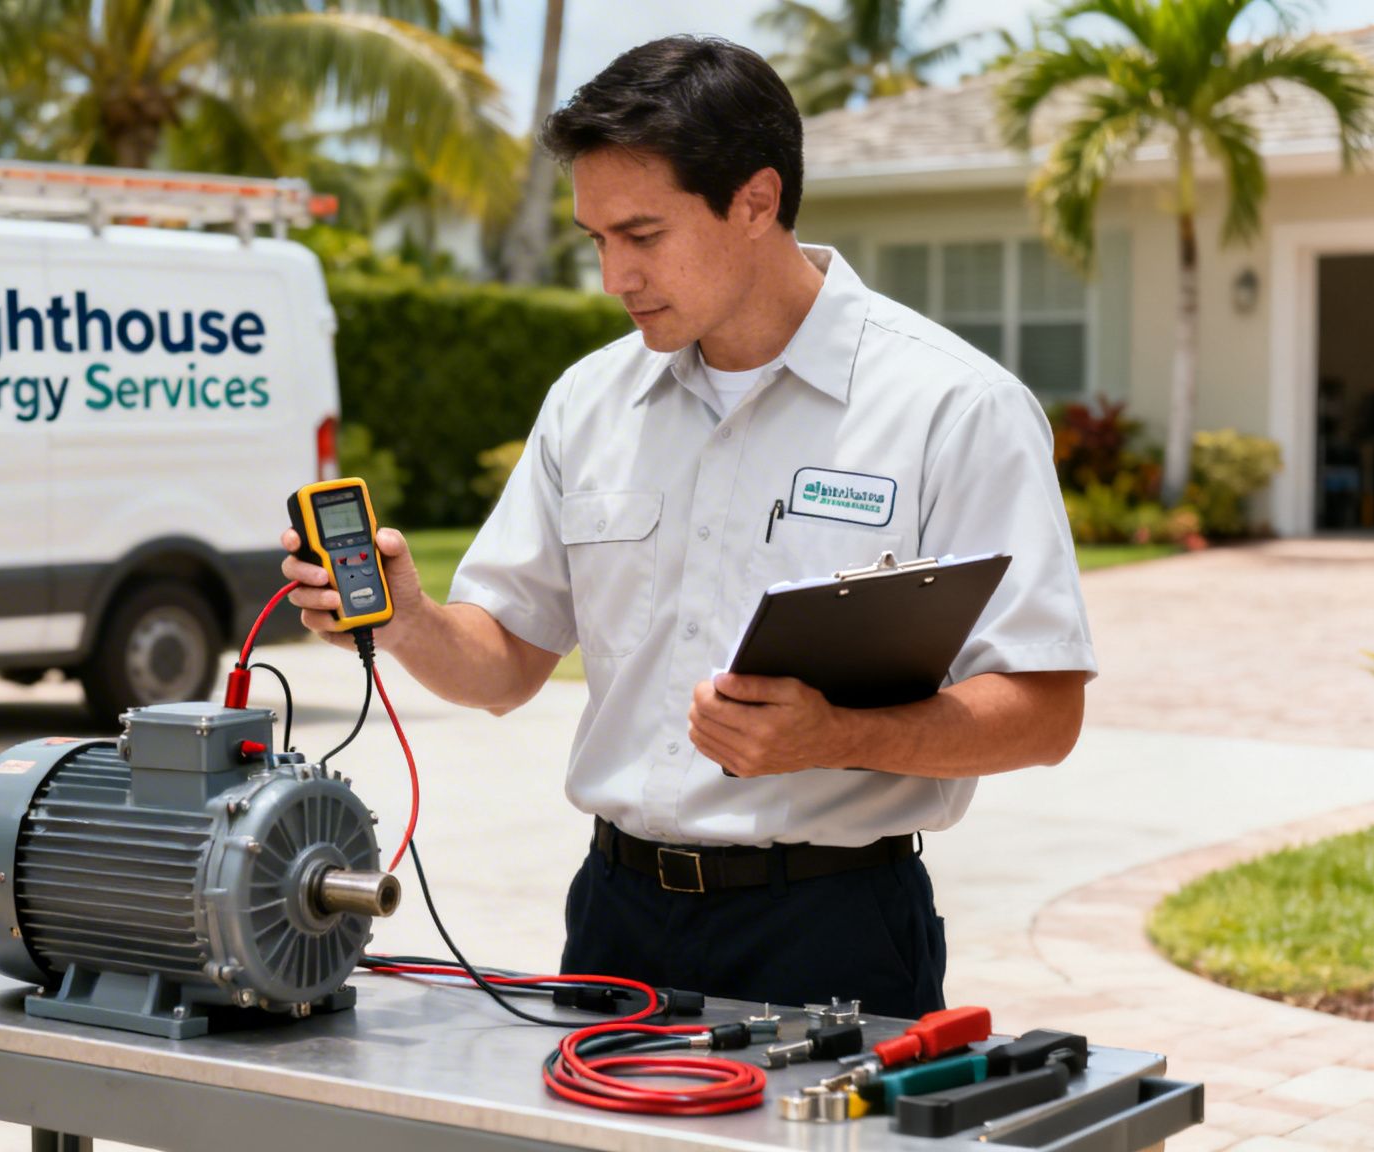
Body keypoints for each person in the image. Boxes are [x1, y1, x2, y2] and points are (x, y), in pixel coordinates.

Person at [280, 35, 1093, 1019]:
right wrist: (408, 619)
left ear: (755, 201)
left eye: (642, 234)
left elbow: (1044, 713)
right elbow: (504, 667)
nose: (614, 276)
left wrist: (836, 736)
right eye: (596, 240)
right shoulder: (588, 402)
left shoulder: (955, 407)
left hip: (832, 929)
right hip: (613, 920)